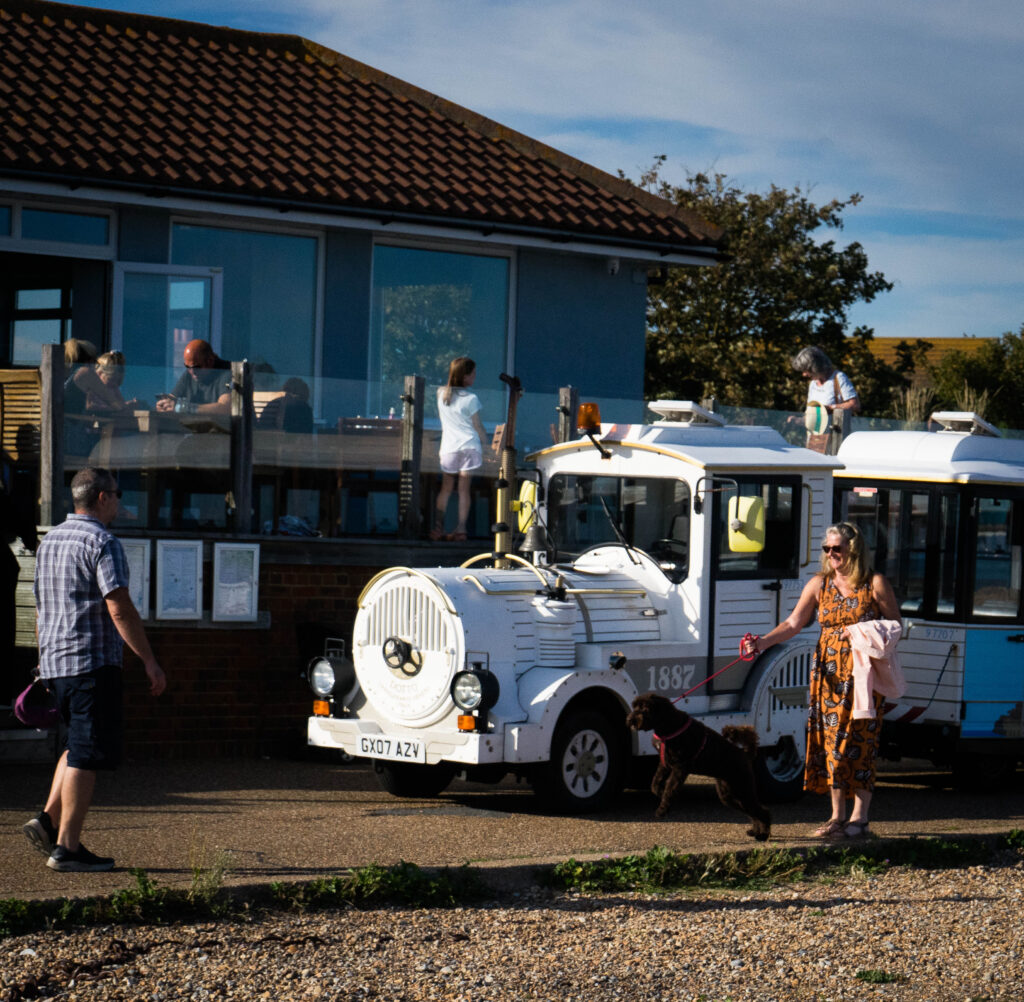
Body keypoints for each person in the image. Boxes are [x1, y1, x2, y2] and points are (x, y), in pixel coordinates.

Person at [23, 467, 166, 872]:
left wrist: (42, 657)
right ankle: (67, 848)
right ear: (102, 497)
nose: (120, 502)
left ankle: (48, 820)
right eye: (118, 494)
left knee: (73, 745)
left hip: (55, 663)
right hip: (90, 662)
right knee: (85, 753)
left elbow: (40, 608)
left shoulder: (50, 541)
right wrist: (149, 661)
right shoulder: (102, 541)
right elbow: (118, 607)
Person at [742, 521, 900, 840]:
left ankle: (860, 818)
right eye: (826, 549)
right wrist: (761, 643)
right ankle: (837, 817)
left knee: (861, 742)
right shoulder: (820, 584)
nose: (830, 554)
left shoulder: (875, 584)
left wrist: (862, 631)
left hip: (863, 675)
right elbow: (793, 623)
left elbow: (896, 625)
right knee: (832, 745)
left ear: (852, 549)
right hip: (828, 676)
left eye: (836, 548)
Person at [432, 356, 488, 541]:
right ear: (465, 376)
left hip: (449, 448)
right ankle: (461, 529)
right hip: (469, 447)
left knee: (446, 489)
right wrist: (486, 444)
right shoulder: (471, 398)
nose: (475, 377)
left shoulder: (441, 394)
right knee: (464, 490)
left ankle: (438, 527)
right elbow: (477, 426)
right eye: (473, 374)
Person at [156, 339, 231, 415]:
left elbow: (225, 408)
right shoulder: (191, 372)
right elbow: (172, 399)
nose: (192, 372)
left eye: (196, 367)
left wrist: (186, 408)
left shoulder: (227, 373)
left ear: (210, 361)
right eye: (187, 367)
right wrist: (165, 405)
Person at [791, 345, 860, 415]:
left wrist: (829, 408)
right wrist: (798, 421)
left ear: (815, 367)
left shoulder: (838, 378)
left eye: (806, 370)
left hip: (836, 425)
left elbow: (855, 405)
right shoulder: (813, 384)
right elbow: (811, 416)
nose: (804, 375)